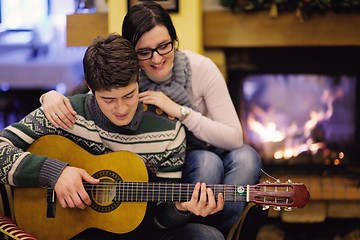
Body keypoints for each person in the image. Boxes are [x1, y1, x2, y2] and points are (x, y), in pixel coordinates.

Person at [40, 1, 263, 236]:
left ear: (174, 41)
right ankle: (197, 227)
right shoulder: (128, 80)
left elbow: (234, 137)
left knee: (247, 157)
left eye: (164, 46)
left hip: (206, 142)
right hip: (177, 158)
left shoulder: (201, 69)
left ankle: (224, 231)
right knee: (209, 163)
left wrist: (180, 111)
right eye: (144, 52)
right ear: (131, 53)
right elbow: (95, 96)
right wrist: (50, 97)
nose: (156, 59)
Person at [0, 33, 226, 240]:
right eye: (108, 100)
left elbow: (159, 221)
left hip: (140, 232)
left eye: (129, 95)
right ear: (90, 87)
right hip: (74, 231)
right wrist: (54, 173)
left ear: (138, 77)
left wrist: (180, 208)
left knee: (208, 236)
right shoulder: (63, 114)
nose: (121, 109)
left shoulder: (169, 132)